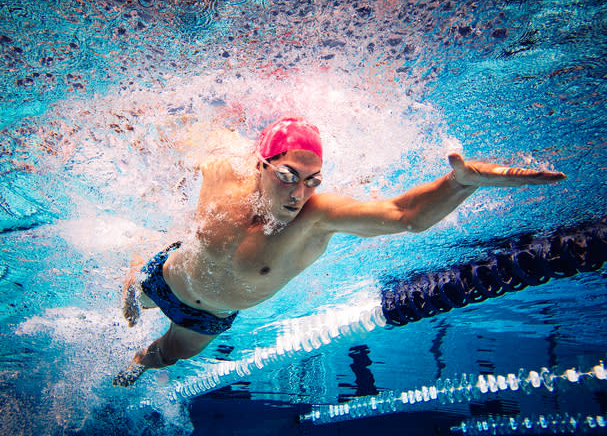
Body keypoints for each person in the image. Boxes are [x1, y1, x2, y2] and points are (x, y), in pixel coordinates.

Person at [113, 117, 566, 387]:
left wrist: (458, 185)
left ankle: (131, 367)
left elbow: (404, 213)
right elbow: (172, 140)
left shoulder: (317, 215)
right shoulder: (222, 173)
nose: (299, 193)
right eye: (288, 176)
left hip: (206, 317)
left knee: (164, 356)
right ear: (260, 166)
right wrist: (135, 134)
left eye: (313, 181)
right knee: (130, 304)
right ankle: (132, 285)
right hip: (165, 275)